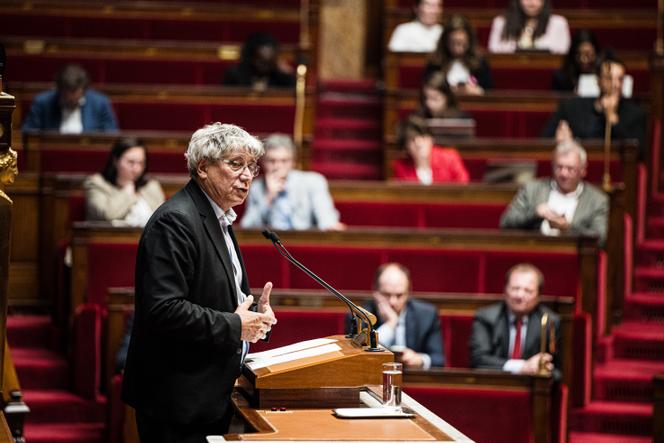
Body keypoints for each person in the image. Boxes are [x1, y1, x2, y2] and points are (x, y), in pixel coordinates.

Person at [122, 123, 278, 441]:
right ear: (203, 167)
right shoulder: (176, 221)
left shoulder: (218, 217)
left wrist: (256, 319)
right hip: (176, 402)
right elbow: (163, 310)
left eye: (251, 166)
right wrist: (236, 326)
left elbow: (216, 297)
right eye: (236, 164)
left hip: (208, 396)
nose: (247, 175)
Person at [500, 139, 608, 246]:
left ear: (583, 170)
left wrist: (568, 229)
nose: (564, 174)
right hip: (534, 250)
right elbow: (506, 223)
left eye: (570, 169)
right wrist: (534, 214)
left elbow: (601, 238)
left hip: (573, 257)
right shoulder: (532, 189)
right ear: (552, 166)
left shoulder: (597, 200)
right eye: (559, 167)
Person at [542, 57, 647, 158]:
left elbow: (640, 152)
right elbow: (544, 140)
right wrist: (559, 142)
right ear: (598, 80)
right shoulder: (572, 108)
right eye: (609, 78)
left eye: (620, 79)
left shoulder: (635, 114)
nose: (615, 84)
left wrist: (614, 122)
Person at [470, 263, 560, 377]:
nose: (520, 295)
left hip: (532, 387)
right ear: (505, 290)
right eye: (515, 288)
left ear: (538, 296)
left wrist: (544, 368)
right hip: (494, 384)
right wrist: (522, 367)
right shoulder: (485, 318)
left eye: (528, 291)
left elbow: (557, 371)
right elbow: (478, 360)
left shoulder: (550, 322)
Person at [240, 134, 345, 231]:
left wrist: (330, 226)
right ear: (263, 162)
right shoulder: (256, 187)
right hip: (271, 246)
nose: (277, 166)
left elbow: (326, 217)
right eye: (272, 161)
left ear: (293, 162)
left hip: (303, 243)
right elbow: (246, 227)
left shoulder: (314, 181)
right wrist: (269, 197)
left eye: (284, 161)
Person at [350, 263, 444, 369]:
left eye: (399, 295)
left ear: (409, 292)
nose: (393, 302)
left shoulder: (427, 315)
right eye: (386, 294)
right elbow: (356, 359)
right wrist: (391, 323)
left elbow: (439, 360)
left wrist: (419, 359)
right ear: (375, 291)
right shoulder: (359, 317)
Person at [84, 137, 165, 227]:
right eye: (131, 162)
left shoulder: (151, 186)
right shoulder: (97, 184)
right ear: (115, 161)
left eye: (141, 163)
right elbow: (107, 215)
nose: (137, 169)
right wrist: (127, 192)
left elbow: (162, 221)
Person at [22, 64, 118, 133]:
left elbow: (111, 135)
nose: (71, 101)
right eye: (67, 98)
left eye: (75, 98)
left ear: (84, 91)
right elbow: (29, 134)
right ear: (59, 91)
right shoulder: (42, 103)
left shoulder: (100, 103)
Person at [426, 14, 492, 95]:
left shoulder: (480, 63)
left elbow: (489, 92)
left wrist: (477, 91)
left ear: (469, 41)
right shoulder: (435, 63)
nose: (458, 49)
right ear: (446, 41)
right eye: (453, 43)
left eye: (462, 43)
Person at [392, 115, 469, 184]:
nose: (419, 144)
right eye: (412, 140)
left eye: (423, 137)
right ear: (406, 146)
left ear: (431, 139)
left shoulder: (450, 158)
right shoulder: (400, 167)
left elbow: (463, 189)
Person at [488, 0, 570, 54]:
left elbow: (563, 53)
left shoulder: (558, 23)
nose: (532, 2)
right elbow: (493, 51)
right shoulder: (500, 22)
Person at [222, 32, 295, 92]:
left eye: (267, 63)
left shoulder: (281, 76)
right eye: (260, 61)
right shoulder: (235, 74)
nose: (264, 66)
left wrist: (288, 76)